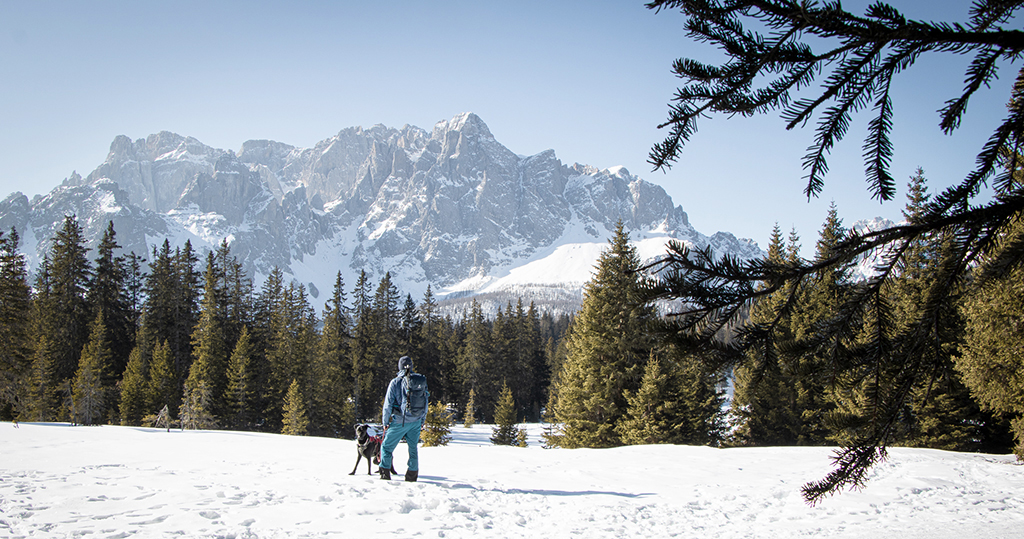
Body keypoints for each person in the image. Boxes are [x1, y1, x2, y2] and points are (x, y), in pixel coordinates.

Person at [379, 356, 428, 481]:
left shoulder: (395, 382)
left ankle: (385, 473)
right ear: (411, 366)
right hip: (416, 420)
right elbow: (425, 402)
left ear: (399, 367)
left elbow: (388, 404)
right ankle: (412, 475)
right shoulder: (419, 381)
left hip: (400, 421)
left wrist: (385, 422)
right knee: (413, 448)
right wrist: (422, 420)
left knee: (386, 447)